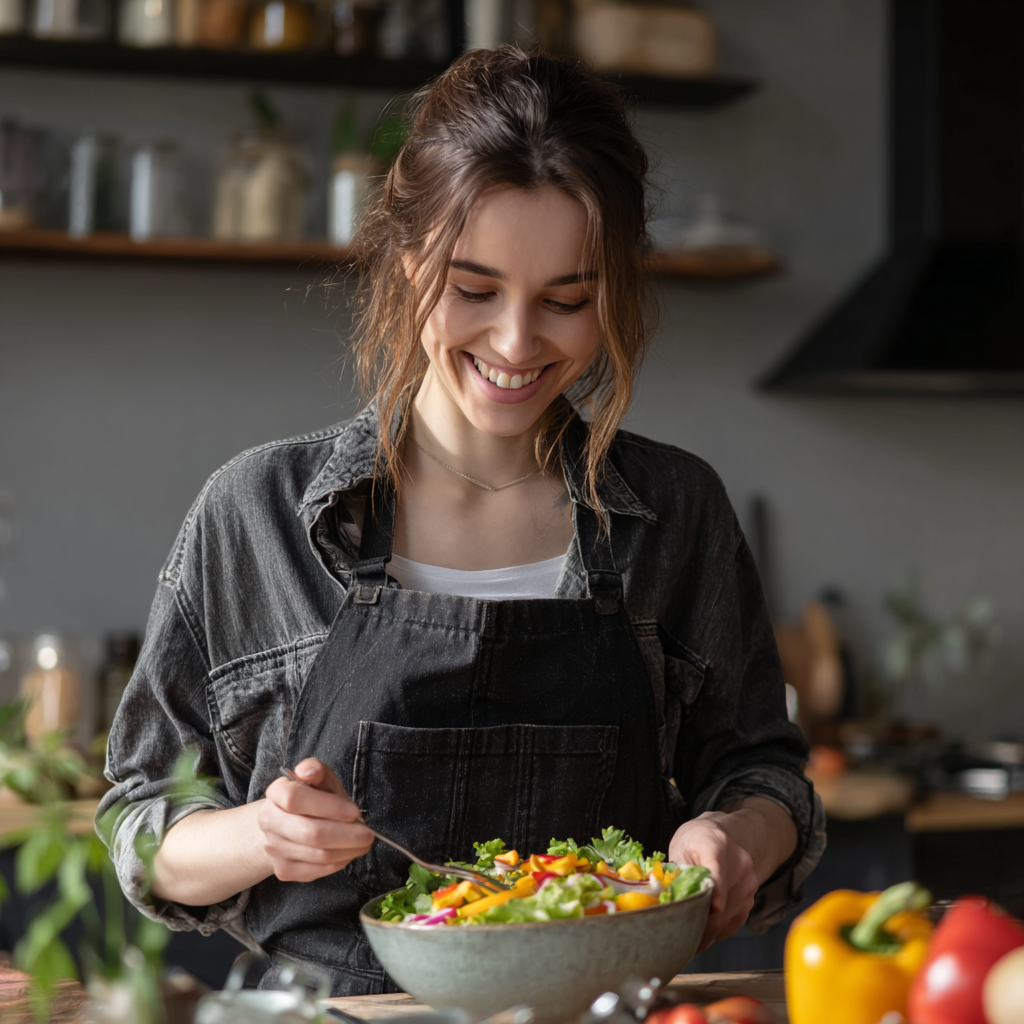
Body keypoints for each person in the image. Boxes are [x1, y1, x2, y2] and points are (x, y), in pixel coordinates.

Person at [98, 46, 824, 995]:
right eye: (474, 290)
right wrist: (261, 835)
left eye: (567, 300)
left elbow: (766, 774)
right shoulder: (259, 512)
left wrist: (737, 835)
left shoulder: (675, 513)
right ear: (409, 267)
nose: (516, 342)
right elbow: (140, 821)